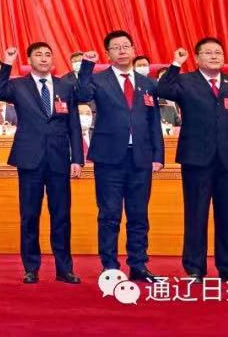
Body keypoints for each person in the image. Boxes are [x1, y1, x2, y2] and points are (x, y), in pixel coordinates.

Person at [155, 39, 228, 280]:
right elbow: (162, 90)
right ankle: (194, 268)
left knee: (227, 215)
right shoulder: (185, 81)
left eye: (218, 52)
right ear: (197, 58)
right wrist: (176, 64)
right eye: (208, 52)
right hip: (196, 160)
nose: (214, 56)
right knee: (196, 214)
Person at [75, 31, 164, 283]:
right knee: (109, 214)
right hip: (109, 158)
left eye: (126, 46)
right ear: (108, 54)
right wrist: (87, 65)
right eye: (116, 47)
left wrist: (158, 154)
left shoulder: (147, 83)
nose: (122, 50)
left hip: (141, 157)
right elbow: (82, 95)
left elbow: (154, 121)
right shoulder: (98, 79)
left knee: (139, 215)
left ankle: (138, 265)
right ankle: (110, 266)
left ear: (134, 50)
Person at [0, 44, 83, 284]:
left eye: (47, 55)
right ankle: (31, 268)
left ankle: (64, 269)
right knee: (29, 215)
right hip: (29, 158)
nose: (44, 59)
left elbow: (74, 124)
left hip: (59, 159)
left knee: (61, 215)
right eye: (38, 55)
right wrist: (7, 63)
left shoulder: (65, 86)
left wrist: (77, 158)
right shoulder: (18, 85)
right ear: (29, 60)